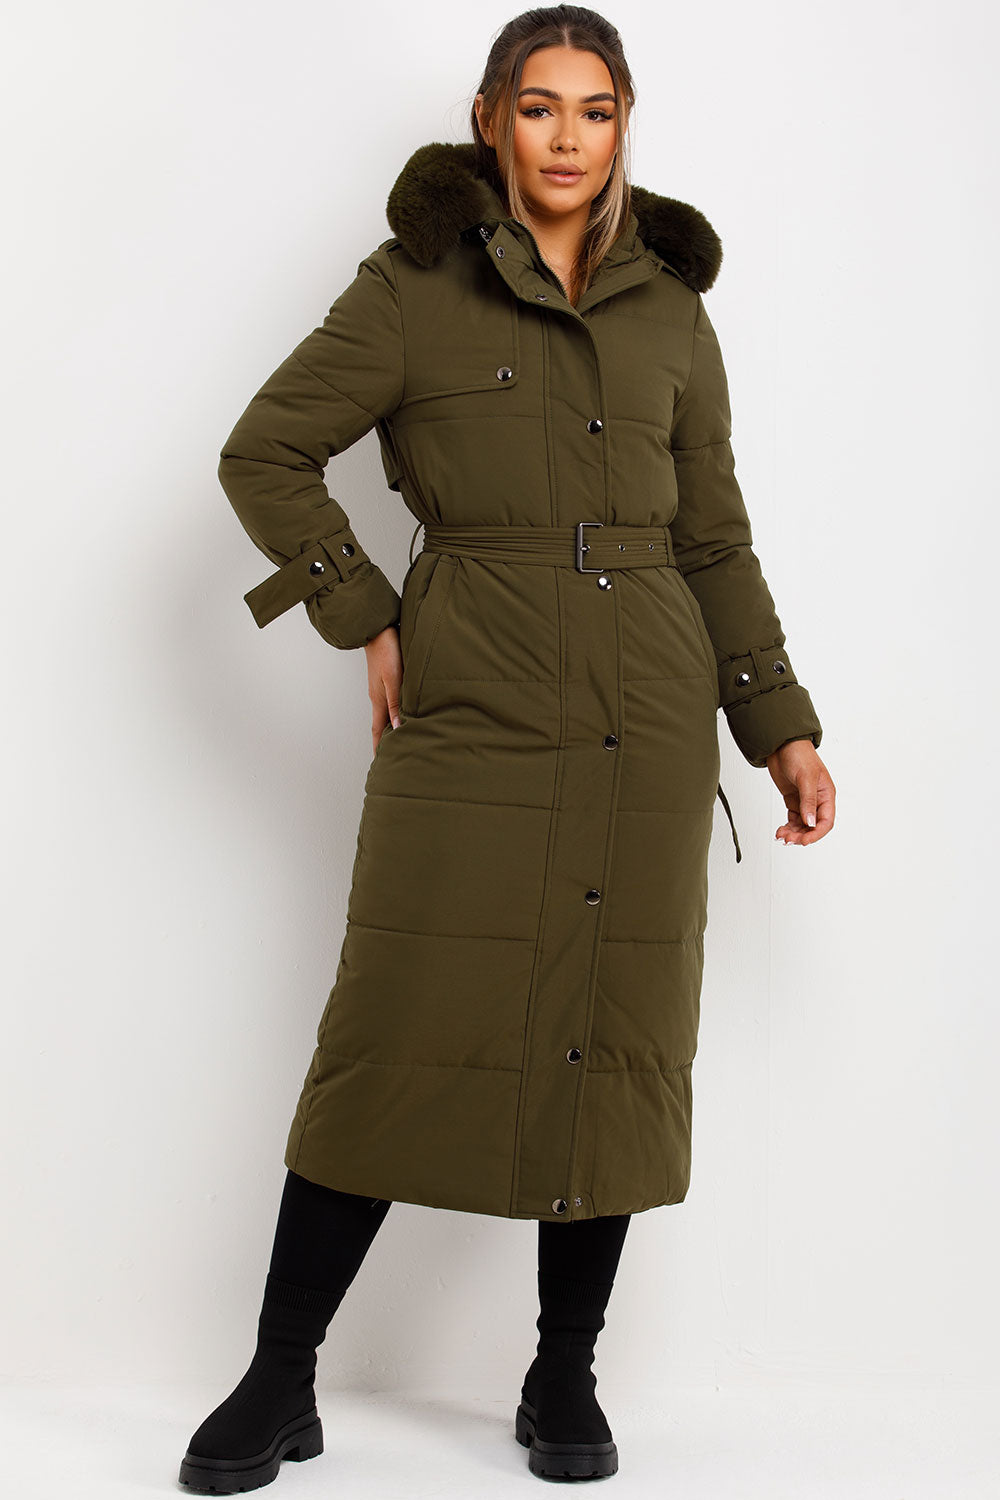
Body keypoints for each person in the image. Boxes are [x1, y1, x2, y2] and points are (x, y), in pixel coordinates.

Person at [178, 4, 836, 1490]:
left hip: (648, 711)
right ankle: (280, 1376)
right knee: (393, 1026)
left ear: (624, 124)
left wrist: (778, 724)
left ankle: (561, 1375)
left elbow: (714, 535)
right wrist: (365, 612)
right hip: (475, 701)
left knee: (611, 1030)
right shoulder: (413, 286)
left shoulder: (670, 306)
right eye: (539, 107)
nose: (566, 138)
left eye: (595, 111)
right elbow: (264, 450)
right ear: (491, 119)